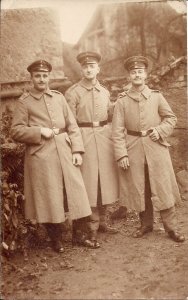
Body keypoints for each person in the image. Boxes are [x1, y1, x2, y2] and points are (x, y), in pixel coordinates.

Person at [11, 59, 91, 253]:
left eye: (44, 75)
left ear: (49, 77)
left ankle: (79, 235)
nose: (41, 79)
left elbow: (72, 125)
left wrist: (77, 151)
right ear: (31, 78)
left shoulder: (59, 97)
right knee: (50, 196)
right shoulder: (24, 102)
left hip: (64, 150)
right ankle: (56, 239)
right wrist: (39, 131)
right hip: (42, 156)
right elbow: (16, 131)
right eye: (37, 76)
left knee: (76, 191)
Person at [112, 55, 185, 243]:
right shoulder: (122, 101)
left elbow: (171, 118)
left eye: (140, 72)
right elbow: (117, 130)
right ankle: (145, 225)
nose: (137, 75)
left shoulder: (156, 96)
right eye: (133, 72)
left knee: (162, 187)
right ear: (129, 76)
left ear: (145, 74)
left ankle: (172, 228)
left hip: (156, 148)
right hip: (133, 148)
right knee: (140, 186)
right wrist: (121, 154)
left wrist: (159, 131)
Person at [65, 51, 119, 248]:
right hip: (84, 139)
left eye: (92, 66)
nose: (89, 69)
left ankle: (103, 221)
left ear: (98, 69)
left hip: (104, 139)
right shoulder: (73, 92)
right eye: (85, 66)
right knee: (89, 184)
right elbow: (69, 123)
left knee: (105, 181)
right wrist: (76, 147)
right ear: (82, 69)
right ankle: (91, 227)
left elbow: (110, 114)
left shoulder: (104, 91)